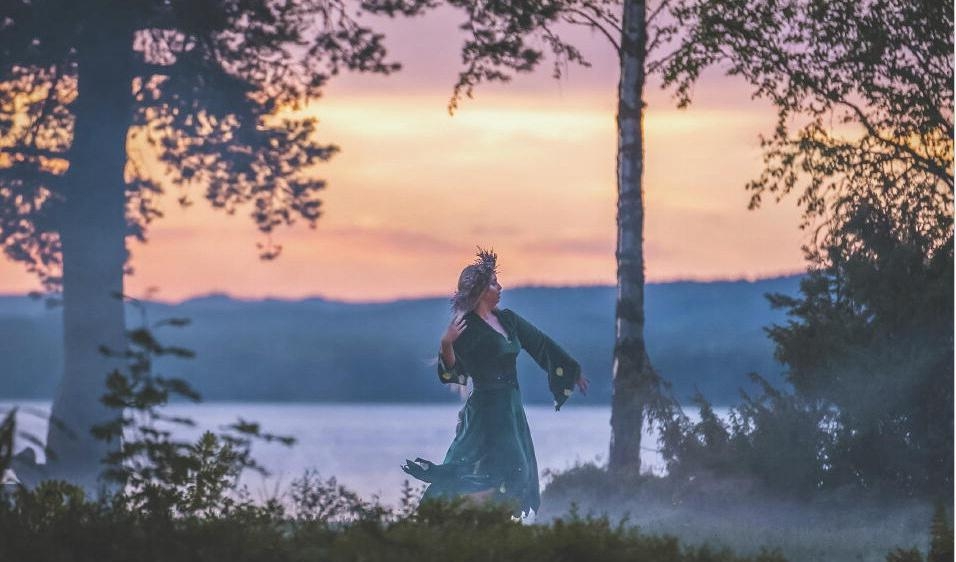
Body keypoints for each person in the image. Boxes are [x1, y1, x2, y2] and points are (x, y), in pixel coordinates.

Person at [402, 248, 589, 517]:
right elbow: (453, 373)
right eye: (492, 283)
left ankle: (476, 520)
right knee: (492, 469)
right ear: (478, 291)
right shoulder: (467, 327)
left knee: (516, 473)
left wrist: (570, 371)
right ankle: (448, 513)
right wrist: (446, 344)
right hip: (486, 410)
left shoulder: (508, 319)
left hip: (511, 408)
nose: (499, 287)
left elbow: (540, 343)